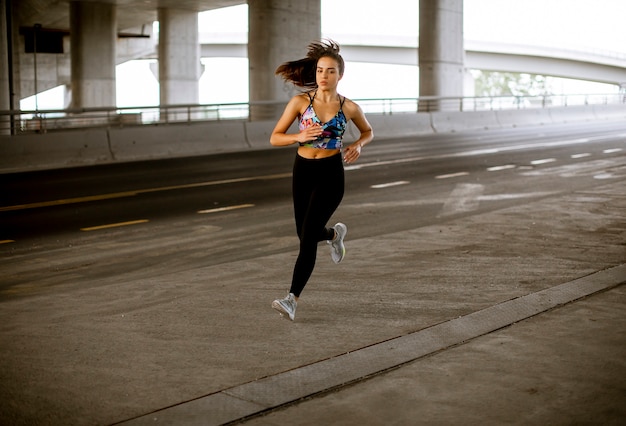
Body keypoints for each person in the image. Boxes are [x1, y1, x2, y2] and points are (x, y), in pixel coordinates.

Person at [269, 40, 374, 321]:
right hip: (302, 170)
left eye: (329, 71)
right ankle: (333, 235)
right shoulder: (300, 103)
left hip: (330, 173)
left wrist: (359, 145)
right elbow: (275, 136)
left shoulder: (348, 107)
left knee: (306, 241)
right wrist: (297, 137)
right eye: (319, 71)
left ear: (340, 75)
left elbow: (368, 131)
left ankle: (291, 299)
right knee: (305, 234)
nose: (323, 76)